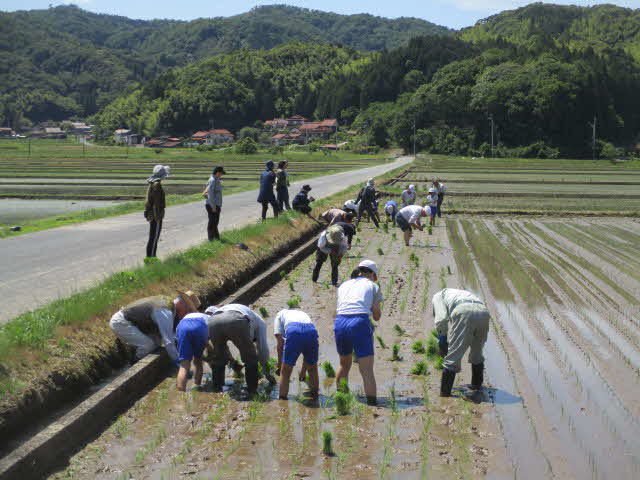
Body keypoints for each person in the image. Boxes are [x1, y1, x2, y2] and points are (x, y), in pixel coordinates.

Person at [334, 260, 383, 405]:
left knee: (344, 364)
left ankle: (341, 400)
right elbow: (376, 316)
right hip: (359, 322)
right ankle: (372, 405)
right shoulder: (373, 286)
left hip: (340, 322)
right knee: (366, 369)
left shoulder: (344, 285)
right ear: (372, 274)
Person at [109, 290, 200, 363]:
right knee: (148, 345)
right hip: (121, 322)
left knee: (156, 344)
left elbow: (172, 335)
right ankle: (134, 362)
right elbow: (168, 341)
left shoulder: (170, 307)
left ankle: (136, 356)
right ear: (181, 303)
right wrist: (178, 362)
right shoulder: (164, 311)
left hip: (135, 323)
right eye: (188, 310)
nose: (186, 315)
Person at [206, 303, 275, 396]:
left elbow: (225, 350)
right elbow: (262, 350)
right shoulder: (261, 323)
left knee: (219, 357)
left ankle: (217, 390)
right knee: (250, 358)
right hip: (235, 319)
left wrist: (233, 363)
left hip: (213, 321)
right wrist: (267, 373)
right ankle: (251, 391)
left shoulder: (251, 317)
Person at [432, 289, 490, 397]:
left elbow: (441, 319)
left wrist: (442, 341)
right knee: (477, 351)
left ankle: (445, 395)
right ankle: (476, 386)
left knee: (453, 356)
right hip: (484, 312)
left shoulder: (437, 296)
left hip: (464, 311)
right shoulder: (457, 293)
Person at [274, 306, 319, 400]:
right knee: (313, 368)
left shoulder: (279, 315)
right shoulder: (302, 313)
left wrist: (279, 365)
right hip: (311, 330)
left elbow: (280, 343)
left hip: (293, 330)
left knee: (286, 371)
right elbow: (306, 356)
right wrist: (303, 372)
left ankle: (282, 400)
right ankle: (315, 397)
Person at [175, 310, 209, 391]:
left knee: (184, 365)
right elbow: (209, 343)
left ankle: (180, 392)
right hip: (200, 326)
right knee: (198, 361)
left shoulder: (189, 315)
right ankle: (196, 385)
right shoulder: (210, 319)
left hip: (182, 326)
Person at [144, 164, 169, 258]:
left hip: (152, 214)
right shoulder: (157, 185)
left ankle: (150, 258)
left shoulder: (153, 183)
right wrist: (157, 217)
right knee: (154, 238)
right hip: (156, 215)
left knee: (152, 237)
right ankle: (151, 258)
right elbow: (156, 203)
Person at [203, 166, 226, 241]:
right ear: (218, 173)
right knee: (212, 222)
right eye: (221, 173)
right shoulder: (213, 180)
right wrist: (213, 207)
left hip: (215, 204)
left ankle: (216, 237)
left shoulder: (216, 180)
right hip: (212, 205)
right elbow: (210, 195)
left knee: (215, 222)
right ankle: (211, 239)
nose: (221, 175)